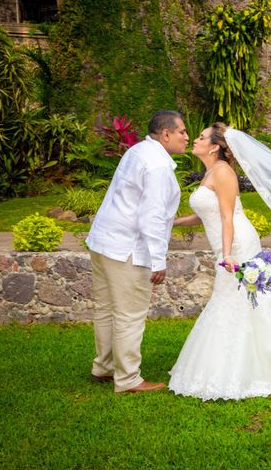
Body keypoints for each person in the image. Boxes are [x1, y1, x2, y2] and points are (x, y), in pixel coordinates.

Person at [168, 122, 271, 400]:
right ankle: (251, 359)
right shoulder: (210, 172)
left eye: (200, 137)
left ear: (214, 146)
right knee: (238, 300)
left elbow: (226, 216)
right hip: (228, 241)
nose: (193, 140)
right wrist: (171, 223)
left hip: (237, 243)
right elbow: (204, 216)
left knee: (239, 299)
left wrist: (226, 254)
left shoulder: (223, 172)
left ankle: (257, 364)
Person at [86, 110, 188, 393]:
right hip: (126, 249)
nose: (187, 137)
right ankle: (128, 379)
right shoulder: (157, 165)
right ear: (165, 134)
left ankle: (104, 367)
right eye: (182, 131)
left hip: (103, 243)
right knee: (129, 316)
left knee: (106, 310)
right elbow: (151, 217)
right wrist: (158, 260)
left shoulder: (138, 151)